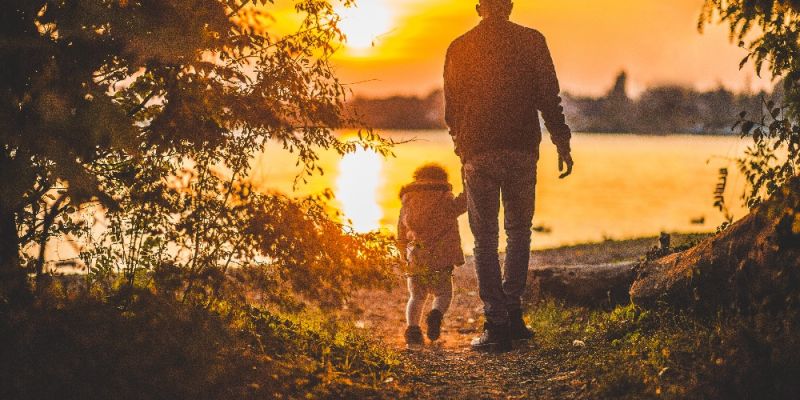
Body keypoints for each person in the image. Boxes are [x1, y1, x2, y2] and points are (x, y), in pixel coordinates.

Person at [443, 0, 574, 352]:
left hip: (479, 152)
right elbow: (549, 97)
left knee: (485, 240)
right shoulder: (532, 41)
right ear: (511, 6)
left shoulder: (460, 46)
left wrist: (462, 147)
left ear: (478, 7)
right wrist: (561, 141)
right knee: (519, 233)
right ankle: (512, 314)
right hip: (520, 149)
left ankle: (496, 322)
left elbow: (451, 109)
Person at [397, 164, 467, 349]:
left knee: (416, 297)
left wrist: (403, 255)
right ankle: (435, 314)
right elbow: (463, 204)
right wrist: (467, 184)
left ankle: (413, 331)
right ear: (442, 180)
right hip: (441, 258)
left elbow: (400, 233)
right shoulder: (444, 197)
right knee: (443, 293)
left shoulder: (408, 201)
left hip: (416, 258)